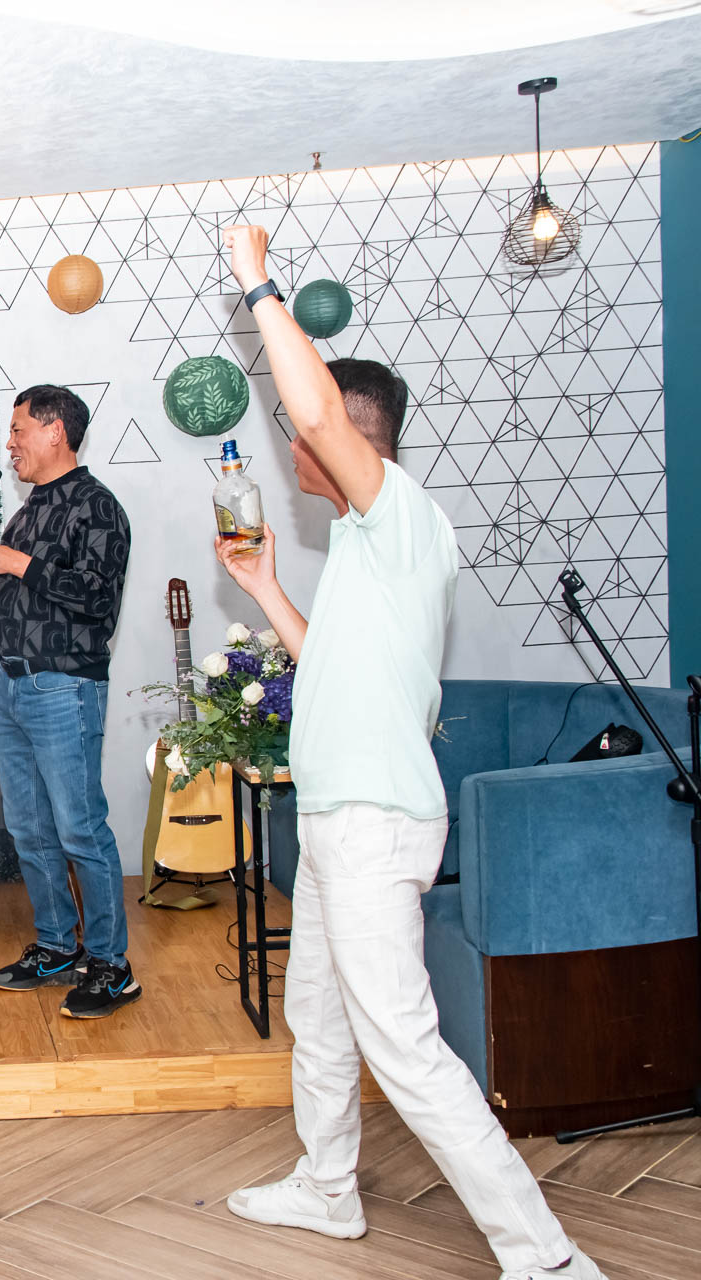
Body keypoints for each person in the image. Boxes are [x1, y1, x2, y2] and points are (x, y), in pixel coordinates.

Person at [215, 224, 604, 1280]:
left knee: (403, 1045)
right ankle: (328, 1188)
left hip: (373, 820)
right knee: (318, 1013)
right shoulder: (361, 545)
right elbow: (329, 664)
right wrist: (264, 591)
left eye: (305, 437)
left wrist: (257, 281)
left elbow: (314, 410)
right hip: (341, 816)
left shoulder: (399, 515)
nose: (294, 451)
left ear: (351, 438)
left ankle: (545, 1257)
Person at [0, 385, 137, 1018]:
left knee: (80, 828)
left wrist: (12, 559)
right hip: (12, 686)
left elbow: (97, 599)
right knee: (28, 827)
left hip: (65, 687)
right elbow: (12, 604)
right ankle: (56, 946)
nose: (10, 444)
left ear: (56, 431)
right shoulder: (27, 512)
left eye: (19, 430)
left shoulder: (97, 506)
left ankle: (111, 965)